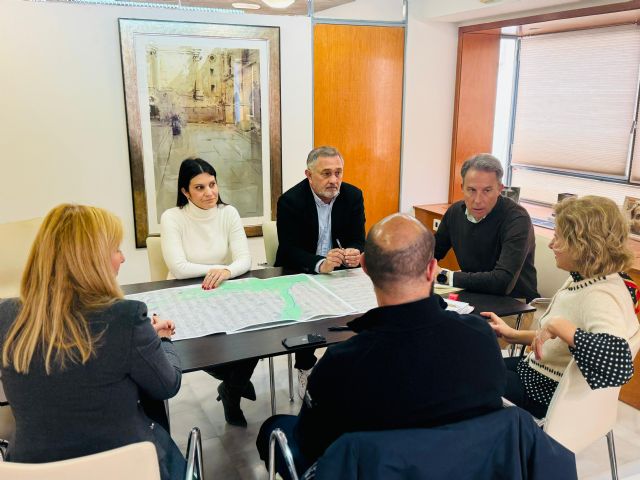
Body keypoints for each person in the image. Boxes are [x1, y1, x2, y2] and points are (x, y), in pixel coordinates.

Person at [257, 214, 506, 479]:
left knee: (274, 427)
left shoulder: (342, 362)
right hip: (464, 468)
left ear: (364, 267)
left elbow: (311, 443)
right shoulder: (481, 337)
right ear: (432, 269)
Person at [0, 204, 184, 479]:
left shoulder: (6, 316)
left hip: (34, 469)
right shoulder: (126, 317)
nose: (123, 258)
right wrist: (164, 341)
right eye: (116, 250)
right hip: (128, 468)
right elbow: (167, 384)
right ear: (92, 258)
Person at [483, 196, 639, 419]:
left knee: (466, 374)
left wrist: (558, 325)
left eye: (558, 237)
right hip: (535, 373)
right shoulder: (588, 276)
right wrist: (513, 335)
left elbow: (618, 363)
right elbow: (559, 341)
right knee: (477, 361)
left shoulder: (601, 295)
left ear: (584, 244)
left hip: (543, 395)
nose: (551, 244)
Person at [160, 158, 256, 427]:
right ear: (185, 192)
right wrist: (219, 267)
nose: (209, 193)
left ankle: (231, 391)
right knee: (197, 348)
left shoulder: (228, 213)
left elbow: (244, 260)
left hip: (221, 290)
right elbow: (178, 268)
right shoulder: (172, 217)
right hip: (183, 294)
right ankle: (234, 385)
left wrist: (225, 272)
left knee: (255, 336)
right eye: (199, 187)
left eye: (212, 184)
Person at [275, 146, 366, 396]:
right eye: (326, 173)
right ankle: (306, 367)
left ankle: (352, 367)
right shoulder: (290, 201)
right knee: (308, 312)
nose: (334, 180)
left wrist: (354, 253)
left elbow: (360, 240)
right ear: (309, 174)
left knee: (366, 310)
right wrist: (319, 264)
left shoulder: (353, 196)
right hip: (300, 272)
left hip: (340, 274)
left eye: (338, 173)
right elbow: (289, 249)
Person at [434, 153, 539, 302]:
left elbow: (503, 282)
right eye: (471, 190)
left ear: (499, 189)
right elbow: (430, 253)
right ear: (462, 188)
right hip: (472, 294)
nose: (478, 200)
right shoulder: (455, 212)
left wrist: (444, 276)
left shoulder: (517, 219)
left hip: (513, 304)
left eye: (487, 191)